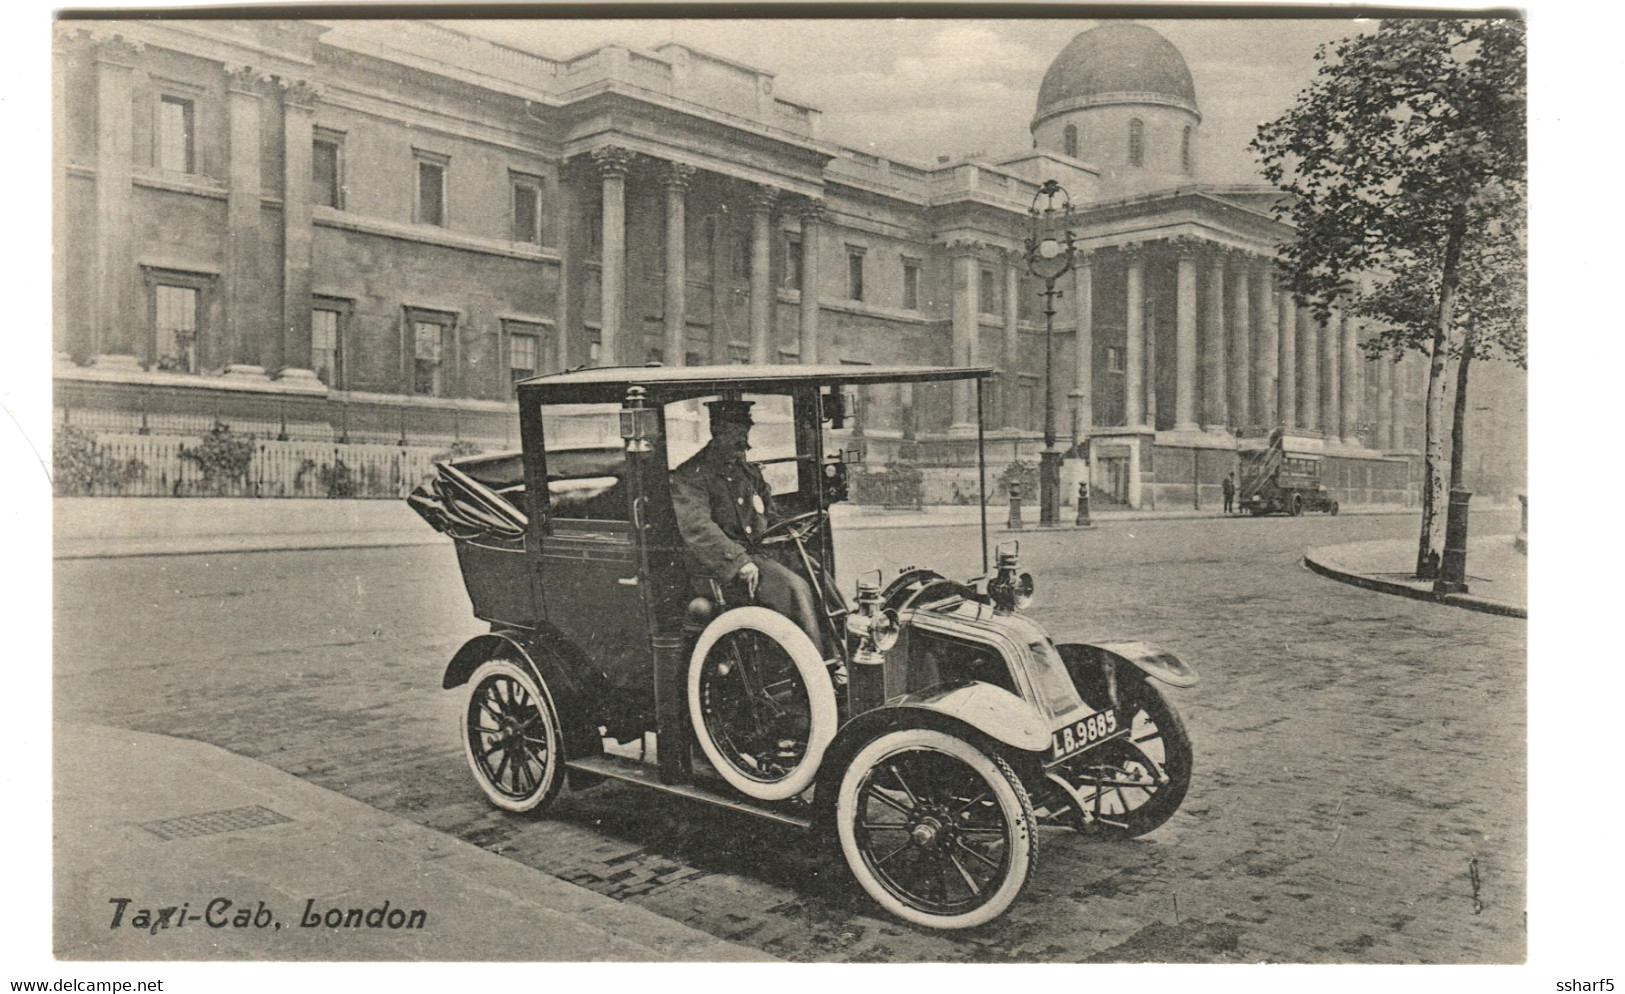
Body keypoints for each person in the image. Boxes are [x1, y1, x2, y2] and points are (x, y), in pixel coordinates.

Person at [670, 398, 830, 657]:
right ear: (717, 432)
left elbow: (769, 514)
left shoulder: (748, 472)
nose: (744, 443)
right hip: (724, 568)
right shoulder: (691, 475)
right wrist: (738, 561)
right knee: (793, 588)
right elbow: (697, 527)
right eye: (736, 435)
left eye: (745, 434)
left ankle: (843, 656)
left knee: (817, 575)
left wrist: (795, 529)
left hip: (760, 556)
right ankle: (817, 670)